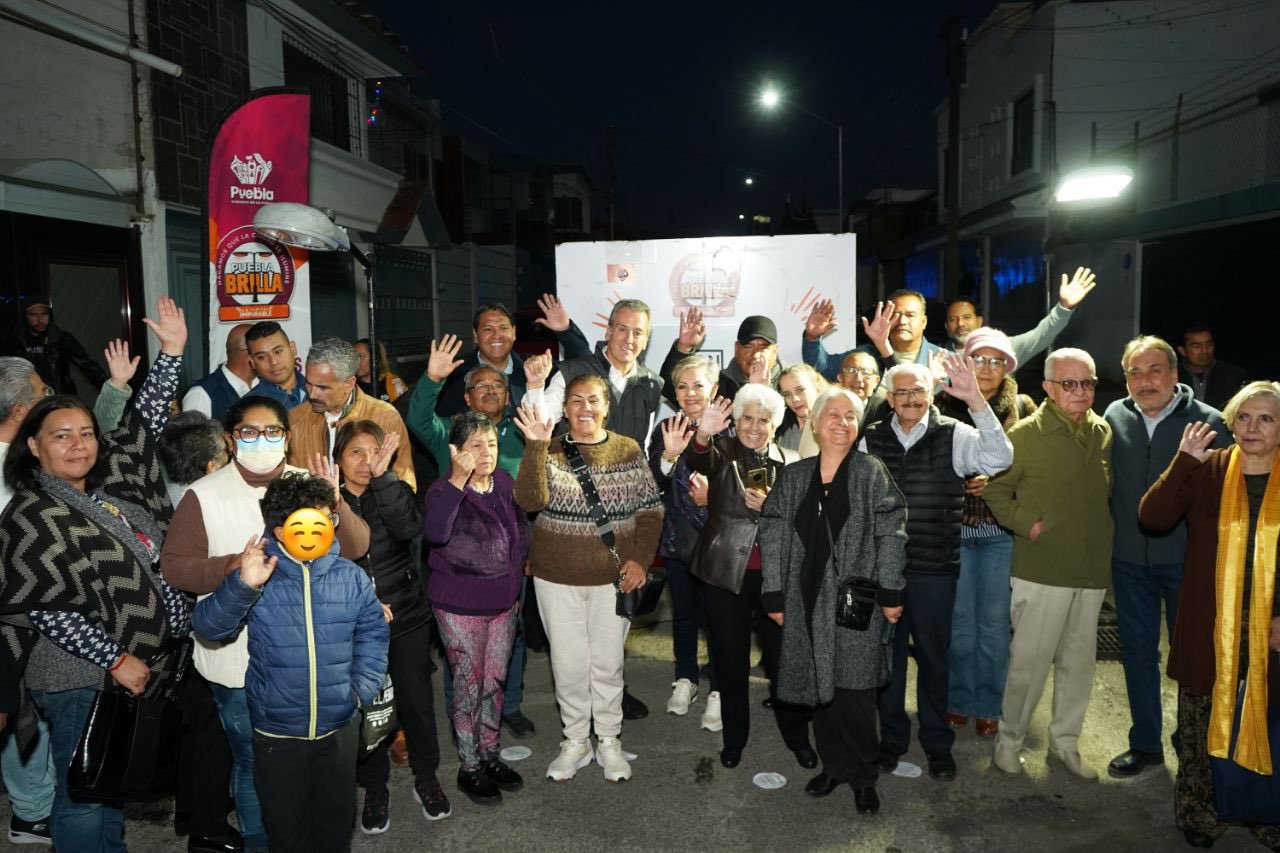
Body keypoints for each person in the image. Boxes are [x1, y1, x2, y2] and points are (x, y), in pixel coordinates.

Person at [160, 396, 395, 851]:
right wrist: (237, 570)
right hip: (237, 665)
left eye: (272, 432)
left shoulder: (308, 484)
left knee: (327, 798)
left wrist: (337, 501)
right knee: (255, 766)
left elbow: (355, 548)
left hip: (325, 672)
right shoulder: (204, 494)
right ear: (230, 440)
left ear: (287, 438)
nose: (261, 441)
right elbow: (175, 568)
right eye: (249, 432)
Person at [0, 298, 192, 852]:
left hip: (120, 671)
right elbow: (45, 607)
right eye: (62, 435)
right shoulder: (32, 514)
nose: (79, 443)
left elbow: (140, 431)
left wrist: (171, 354)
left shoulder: (104, 498)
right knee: (83, 794)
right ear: (33, 446)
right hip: (77, 675)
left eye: (86, 432)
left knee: (105, 786)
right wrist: (117, 658)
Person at [192, 473, 388, 853]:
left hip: (339, 729)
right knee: (287, 834)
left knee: (334, 829)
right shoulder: (258, 576)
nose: (323, 529)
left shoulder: (351, 577)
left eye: (327, 520)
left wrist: (360, 691)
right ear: (281, 531)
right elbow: (209, 627)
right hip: (277, 736)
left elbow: (373, 635)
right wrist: (242, 585)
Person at [1138, 382, 1280, 850]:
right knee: (1200, 721)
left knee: (1271, 718)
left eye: (1266, 418)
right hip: (1208, 623)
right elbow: (1152, 516)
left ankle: (1267, 812)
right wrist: (1183, 461)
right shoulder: (1210, 468)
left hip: (1272, 631)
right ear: (1231, 422)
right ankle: (1201, 813)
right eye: (1244, 417)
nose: (1253, 427)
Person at [859, 356, 1014, 780]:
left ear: (932, 394)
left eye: (918, 391)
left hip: (935, 570)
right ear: (889, 399)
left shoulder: (956, 433)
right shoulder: (869, 439)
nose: (910, 399)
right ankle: (892, 739)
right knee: (885, 658)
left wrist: (977, 401)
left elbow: (999, 459)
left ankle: (936, 742)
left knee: (933, 658)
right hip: (883, 571)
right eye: (902, 392)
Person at [759, 386, 908, 816]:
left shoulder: (870, 472)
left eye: (850, 416)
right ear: (815, 424)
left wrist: (892, 590)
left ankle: (863, 775)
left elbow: (891, 533)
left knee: (856, 695)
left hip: (855, 603)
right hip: (805, 601)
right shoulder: (794, 476)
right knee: (819, 691)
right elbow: (772, 532)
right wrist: (773, 591)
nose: (842, 422)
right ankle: (834, 766)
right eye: (833, 415)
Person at [513, 373, 663, 782]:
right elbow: (528, 500)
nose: (585, 409)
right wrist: (535, 446)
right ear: (564, 408)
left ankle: (609, 740)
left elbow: (651, 511)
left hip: (613, 581)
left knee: (608, 665)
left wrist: (640, 561)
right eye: (576, 401)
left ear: (606, 406)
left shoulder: (627, 450)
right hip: (555, 579)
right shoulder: (550, 449)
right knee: (568, 664)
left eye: (593, 400)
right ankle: (576, 741)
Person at [521, 300, 663, 721]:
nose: (629, 339)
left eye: (638, 332)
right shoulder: (572, 372)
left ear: (646, 338)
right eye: (622, 329)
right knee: (570, 658)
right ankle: (578, 732)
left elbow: (651, 453)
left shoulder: (651, 383)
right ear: (609, 330)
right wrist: (533, 389)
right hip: (569, 490)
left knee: (607, 655)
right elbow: (539, 422)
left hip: (620, 500)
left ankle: (609, 718)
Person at [984, 348, 1114, 781]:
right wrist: (1029, 526)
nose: (1080, 392)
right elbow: (994, 492)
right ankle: (1009, 743)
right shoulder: (1023, 436)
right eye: (1069, 384)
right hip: (1041, 570)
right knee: (1029, 666)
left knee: (1078, 665)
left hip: (1091, 571)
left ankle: (1065, 744)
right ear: (1048, 387)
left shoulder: (1102, 432)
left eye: (1088, 383)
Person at [1103, 336, 1230, 780]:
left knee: (1191, 657)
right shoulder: (1114, 416)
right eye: (1135, 372)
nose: (1145, 380)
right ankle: (1146, 744)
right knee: (1137, 653)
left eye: (1155, 370)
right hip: (1128, 561)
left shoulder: (1210, 423)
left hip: (1187, 564)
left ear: (1175, 375)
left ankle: (1190, 743)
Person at [406, 335, 533, 738]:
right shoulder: (451, 436)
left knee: (509, 642)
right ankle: (463, 719)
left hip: (510, 562)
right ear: (467, 398)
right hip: (460, 574)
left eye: (498, 386)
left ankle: (508, 706)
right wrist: (430, 379)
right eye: (482, 386)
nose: (492, 391)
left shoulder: (518, 432)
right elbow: (419, 420)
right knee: (462, 658)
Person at [683, 386, 816, 770]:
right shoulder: (722, 452)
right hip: (725, 573)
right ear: (735, 420)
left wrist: (773, 508)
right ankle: (734, 739)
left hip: (777, 578)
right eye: (747, 418)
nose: (755, 427)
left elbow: (806, 524)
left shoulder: (793, 461)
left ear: (775, 425)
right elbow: (696, 458)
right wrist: (704, 433)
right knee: (730, 660)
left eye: (764, 420)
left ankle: (797, 737)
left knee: (783, 662)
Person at [333, 421, 442, 832]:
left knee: (417, 702)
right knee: (368, 709)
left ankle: (426, 777)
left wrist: (385, 479)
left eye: (373, 451)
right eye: (355, 453)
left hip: (408, 616)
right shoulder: (329, 503)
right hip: (356, 627)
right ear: (338, 459)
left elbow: (410, 529)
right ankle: (375, 786)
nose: (365, 461)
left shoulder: (394, 490)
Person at [423, 413, 529, 804]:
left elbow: (519, 531)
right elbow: (435, 533)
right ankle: (469, 767)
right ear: (457, 451)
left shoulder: (503, 482)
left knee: (494, 683)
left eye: (492, 445)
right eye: (475, 446)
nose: (486, 453)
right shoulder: (442, 490)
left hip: (504, 602)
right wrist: (456, 480)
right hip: (459, 605)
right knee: (468, 687)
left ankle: (490, 754)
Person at [936, 329, 1037, 739]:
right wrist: (959, 478)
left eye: (998, 361)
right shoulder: (944, 402)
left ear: (1008, 367)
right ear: (966, 362)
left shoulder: (1026, 407)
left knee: (994, 624)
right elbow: (935, 460)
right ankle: (959, 699)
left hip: (999, 530)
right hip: (955, 527)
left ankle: (989, 704)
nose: (988, 369)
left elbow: (1030, 467)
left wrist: (996, 481)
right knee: (960, 622)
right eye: (980, 359)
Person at [156, 411, 240, 851]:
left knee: (195, 735)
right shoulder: (206, 505)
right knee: (212, 738)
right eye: (228, 452)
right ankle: (209, 830)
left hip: (173, 643)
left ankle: (194, 813)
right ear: (211, 466)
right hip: (200, 638)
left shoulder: (165, 496)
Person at [0, 357, 57, 847]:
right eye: (42, 392)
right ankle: (30, 812)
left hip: (38, 604)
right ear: (21, 410)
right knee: (21, 709)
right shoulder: (10, 469)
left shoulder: (27, 457)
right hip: (13, 612)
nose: (49, 397)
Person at [648, 355, 718, 728]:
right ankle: (686, 679)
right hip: (678, 541)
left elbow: (745, 484)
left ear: (714, 388)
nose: (690, 393)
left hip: (720, 543)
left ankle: (719, 691)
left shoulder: (732, 425)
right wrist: (669, 456)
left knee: (719, 620)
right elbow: (652, 483)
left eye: (698, 385)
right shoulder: (666, 426)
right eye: (682, 386)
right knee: (685, 617)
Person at [286, 337, 415, 490]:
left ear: (349, 383)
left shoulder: (385, 416)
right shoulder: (295, 419)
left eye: (323, 387)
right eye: (308, 384)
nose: (312, 394)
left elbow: (405, 486)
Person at [433, 296, 591, 418]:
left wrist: (565, 330)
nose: (497, 336)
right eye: (488, 329)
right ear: (475, 335)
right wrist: (432, 378)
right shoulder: (455, 377)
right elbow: (430, 424)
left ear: (514, 333)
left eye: (503, 328)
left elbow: (584, 368)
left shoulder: (534, 370)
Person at [941, 266, 1098, 358]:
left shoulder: (1003, 347)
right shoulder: (937, 358)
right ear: (946, 326)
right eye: (953, 319)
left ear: (979, 321)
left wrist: (1064, 308)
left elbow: (1041, 335)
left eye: (967, 317)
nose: (960, 324)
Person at [659, 311, 784, 405]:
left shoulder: (789, 386)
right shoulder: (719, 384)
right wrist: (683, 347)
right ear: (736, 348)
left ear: (775, 351)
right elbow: (669, 388)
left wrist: (762, 391)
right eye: (748, 346)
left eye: (763, 348)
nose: (756, 354)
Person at [10, 297, 109, 395]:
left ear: (50, 315)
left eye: (44, 314)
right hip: (27, 400)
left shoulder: (61, 339)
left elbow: (88, 366)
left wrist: (113, 387)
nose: (40, 320)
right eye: (33, 315)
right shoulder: (14, 341)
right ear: (25, 317)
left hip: (59, 398)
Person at [183, 323, 259, 421]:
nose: (271, 359)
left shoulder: (269, 387)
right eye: (262, 352)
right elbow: (192, 436)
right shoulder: (201, 395)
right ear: (248, 354)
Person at [1177, 325, 1248, 412]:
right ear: (1182, 351)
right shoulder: (1172, 376)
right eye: (1196, 346)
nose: (1205, 351)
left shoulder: (1235, 375)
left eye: (1209, 344)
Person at [243, 321, 307, 408]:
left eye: (278, 351)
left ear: (293, 349)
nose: (273, 362)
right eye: (262, 357)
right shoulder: (248, 407)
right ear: (253, 363)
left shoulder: (322, 392)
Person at [777, 364, 828, 459]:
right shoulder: (781, 425)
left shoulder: (834, 425)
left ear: (817, 389)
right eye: (787, 394)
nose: (794, 399)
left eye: (800, 390)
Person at [354, 338, 408, 403]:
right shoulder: (350, 385)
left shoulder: (393, 382)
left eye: (361, 356)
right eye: (353, 357)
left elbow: (403, 409)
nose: (355, 362)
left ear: (375, 357)